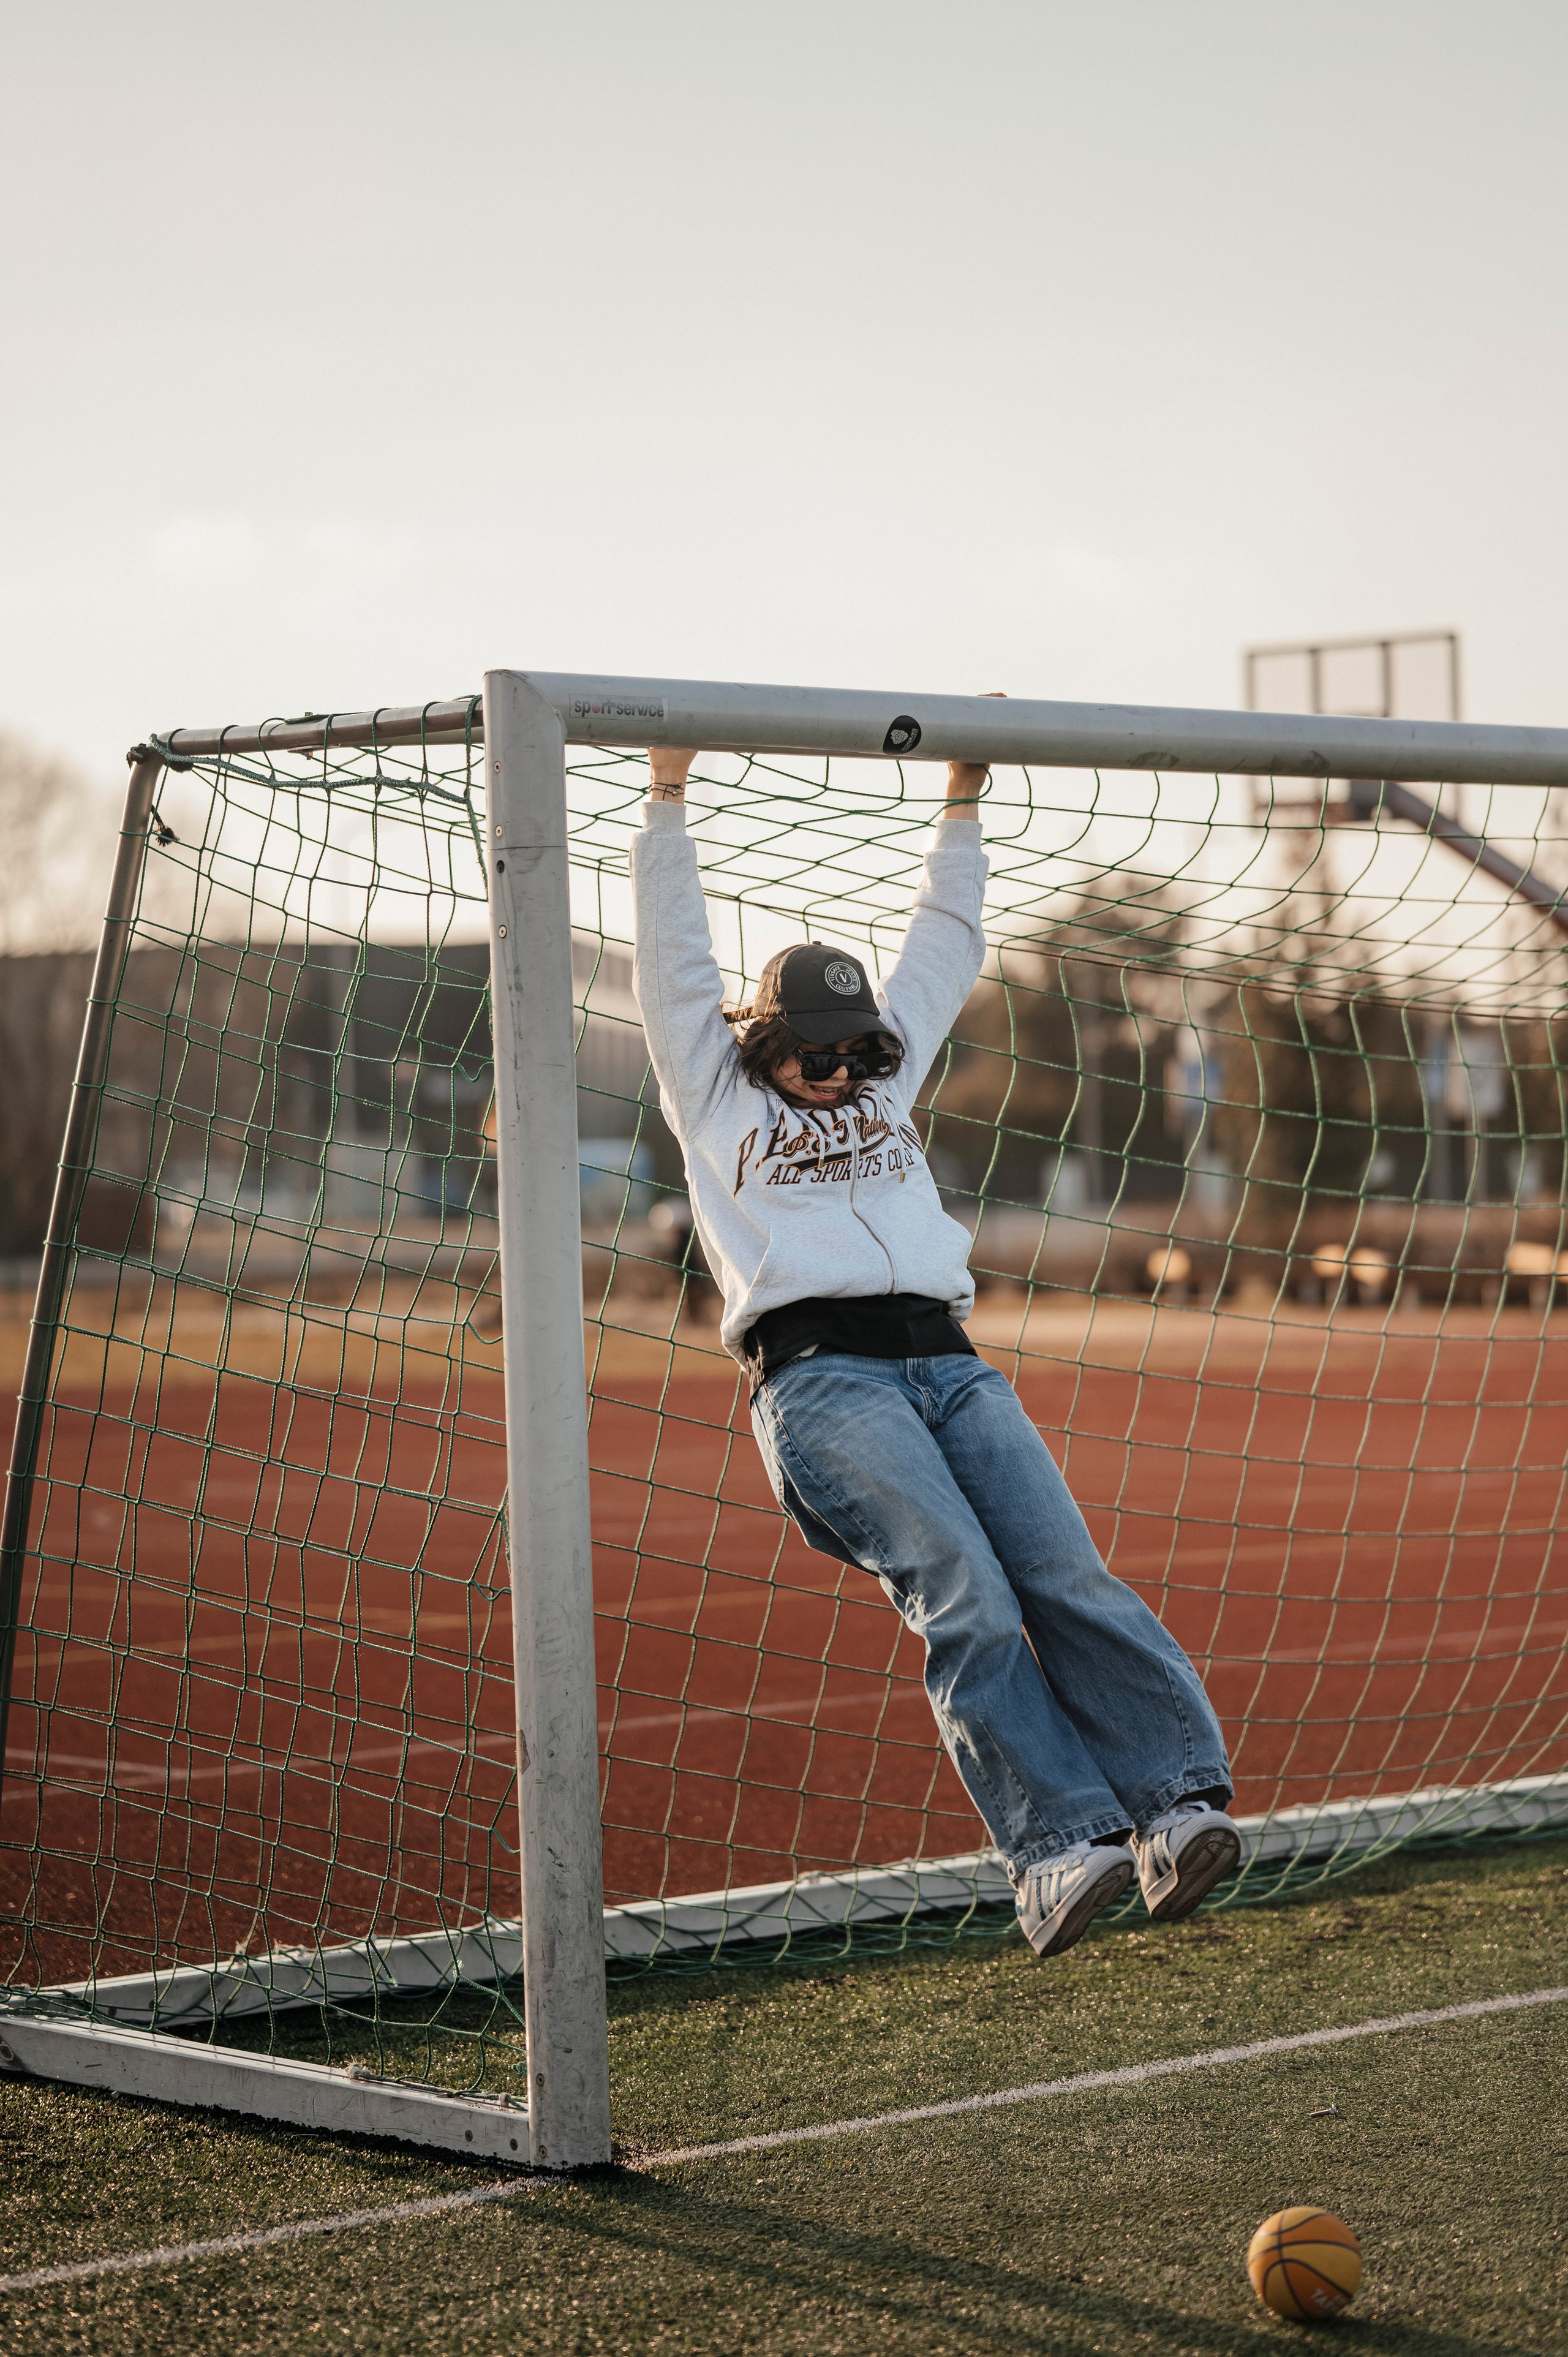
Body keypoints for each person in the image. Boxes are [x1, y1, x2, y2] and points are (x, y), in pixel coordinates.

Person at [630, 733, 1240, 1958]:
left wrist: (962, 796)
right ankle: (1054, 1847)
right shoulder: (713, 1094)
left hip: (947, 1359)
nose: (845, 1067)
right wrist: (665, 795)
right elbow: (671, 960)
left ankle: (1171, 1809)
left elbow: (942, 943)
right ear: (763, 1041)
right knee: (962, 1589)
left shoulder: (879, 1084)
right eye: (819, 1049)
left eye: (863, 1048)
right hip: (819, 1378)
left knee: (1063, 1575)